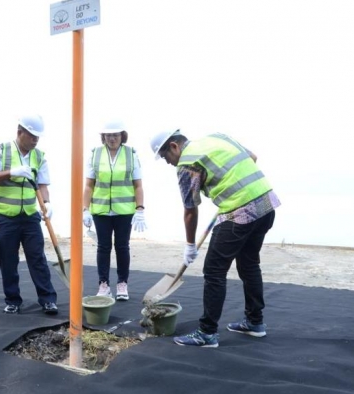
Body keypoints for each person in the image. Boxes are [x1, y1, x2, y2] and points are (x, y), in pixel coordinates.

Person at [150, 129, 280, 348]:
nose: (168, 163)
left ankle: (207, 333)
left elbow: (190, 209)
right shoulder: (217, 138)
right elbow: (253, 157)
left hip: (239, 212)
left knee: (214, 271)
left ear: (174, 146)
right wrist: (232, 189)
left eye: (165, 157)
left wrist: (190, 245)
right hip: (266, 204)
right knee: (249, 264)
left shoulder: (187, 164)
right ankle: (255, 323)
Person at [0, 114, 58, 315]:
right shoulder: (2, 150)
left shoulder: (39, 156)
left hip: (30, 216)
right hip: (4, 217)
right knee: (8, 261)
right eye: (31, 136)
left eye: (37, 137)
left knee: (37, 258)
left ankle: (48, 299)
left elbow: (42, 185)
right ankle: (13, 300)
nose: (35, 140)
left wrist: (47, 202)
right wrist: (11, 172)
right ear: (19, 132)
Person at [82, 120, 146, 301]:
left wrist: (140, 209)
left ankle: (122, 283)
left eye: (115, 135)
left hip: (124, 210)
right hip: (101, 209)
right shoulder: (95, 154)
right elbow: (88, 186)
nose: (112, 139)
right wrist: (84, 209)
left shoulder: (131, 154)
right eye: (108, 135)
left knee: (122, 247)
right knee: (103, 247)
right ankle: (103, 284)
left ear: (122, 136)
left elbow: (138, 185)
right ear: (103, 136)